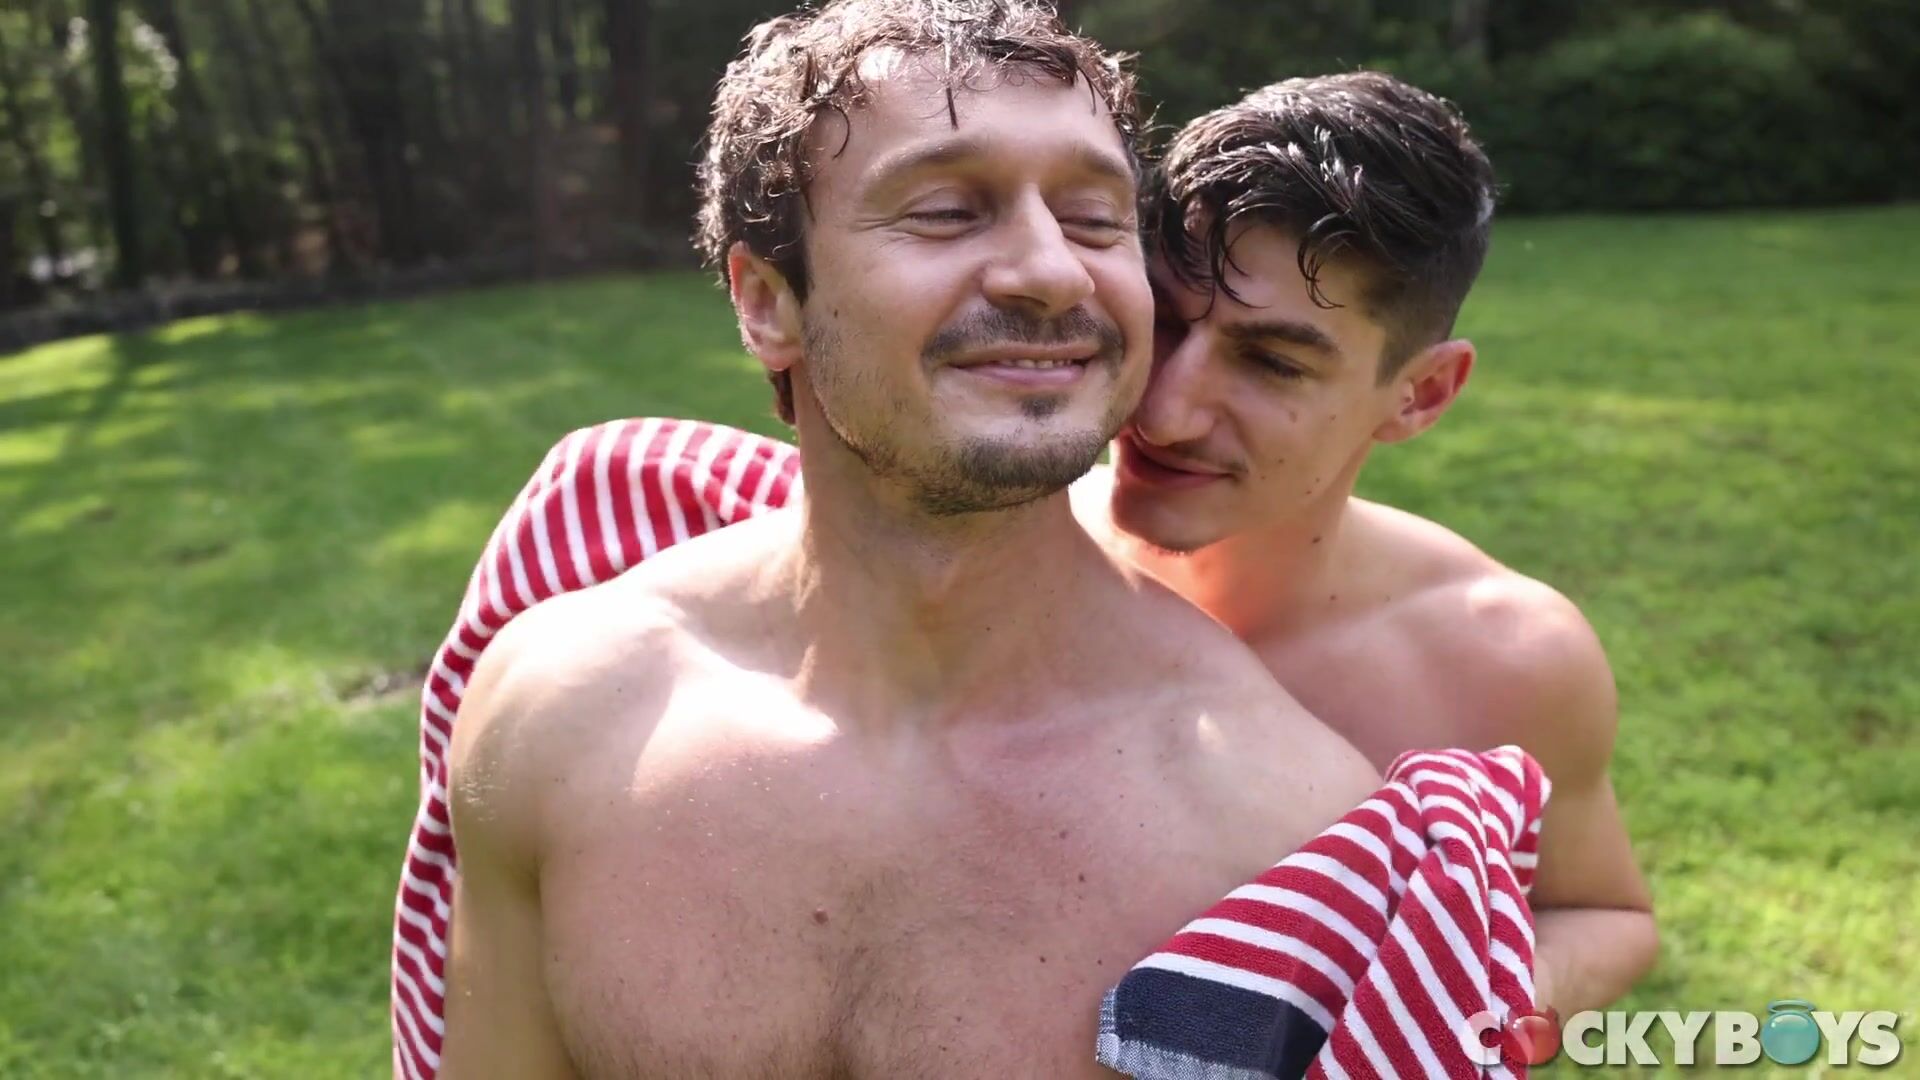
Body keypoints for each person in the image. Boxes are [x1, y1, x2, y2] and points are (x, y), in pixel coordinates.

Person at [425, 2, 1378, 1076]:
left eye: (1095, 218)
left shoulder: (1279, 831)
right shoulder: (562, 712)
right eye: (946, 211)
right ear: (767, 302)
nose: (1052, 271)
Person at [1088, 72, 1657, 1014]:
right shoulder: (1000, 555)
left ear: (1420, 394)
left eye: (1273, 361)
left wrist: (1448, 1021)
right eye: (1162, 318)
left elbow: (1601, 913)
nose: (1164, 411)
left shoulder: (1504, 660)